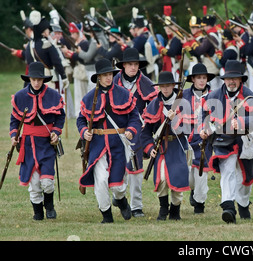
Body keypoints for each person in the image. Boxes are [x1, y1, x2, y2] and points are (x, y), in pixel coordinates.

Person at [77, 58, 141, 223]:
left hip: (118, 144)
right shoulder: (89, 97)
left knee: (118, 185)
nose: (108, 78)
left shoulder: (124, 94)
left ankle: (121, 200)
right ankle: (106, 215)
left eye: (110, 74)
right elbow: (81, 120)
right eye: (104, 75)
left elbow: (135, 118)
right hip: (98, 145)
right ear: (98, 77)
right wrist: (84, 132)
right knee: (101, 180)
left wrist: (131, 130)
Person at [199, 60, 253, 224]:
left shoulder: (250, 96)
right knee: (227, 170)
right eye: (229, 78)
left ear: (241, 80)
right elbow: (204, 117)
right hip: (222, 141)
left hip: (244, 141)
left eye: (235, 78)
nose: (232, 81)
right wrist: (204, 129)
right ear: (224, 80)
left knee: (245, 177)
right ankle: (228, 207)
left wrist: (242, 122)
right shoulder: (213, 96)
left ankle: (243, 204)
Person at [10, 62, 65, 220]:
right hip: (27, 145)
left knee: (47, 181)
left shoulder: (53, 95)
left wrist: (56, 132)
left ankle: (49, 206)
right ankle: (38, 212)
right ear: (29, 79)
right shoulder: (20, 96)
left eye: (39, 79)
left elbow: (60, 116)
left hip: (47, 144)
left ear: (43, 80)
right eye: (33, 79)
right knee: (34, 183)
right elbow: (14, 120)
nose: (36, 82)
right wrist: (14, 135)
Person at [113, 48, 158, 217]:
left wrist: (146, 120)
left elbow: (153, 106)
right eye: (130, 64)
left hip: (137, 129)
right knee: (116, 165)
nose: (133, 67)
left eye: (136, 64)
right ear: (123, 65)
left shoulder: (145, 82)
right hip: (115, 129)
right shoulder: (113, 81)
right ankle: (119, 196)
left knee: (136, 169)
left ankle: (136, 206)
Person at [140, 71, 190, 221]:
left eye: (168, 86)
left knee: (177, 180)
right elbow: (145, 134)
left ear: (173, 86)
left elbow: (188, 127)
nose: (166, 89)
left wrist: (176, 119)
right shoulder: (154, 105)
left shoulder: (182, 103)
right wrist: (150, 149)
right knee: (161, 179)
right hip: (161, 147)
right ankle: (163, 208)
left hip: (178, 146)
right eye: (163, 86)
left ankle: (175, 209)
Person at [182, 63, 215, 214]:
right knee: (189, 177)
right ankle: (194, 191)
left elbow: (219, 119)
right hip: (187, 142)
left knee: (201, 172)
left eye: (204, 78)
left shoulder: (214, 96)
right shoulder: (184, 96)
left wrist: (208, 130)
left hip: (205, 141)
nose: (202, 81)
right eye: (198, 78)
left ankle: (199, 204)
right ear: (193, 79)